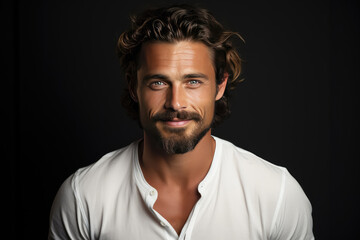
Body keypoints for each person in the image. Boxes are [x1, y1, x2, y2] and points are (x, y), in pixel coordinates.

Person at [48, 4, 314, 240]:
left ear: (220, 85)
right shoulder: (83, 197)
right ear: (134, 87)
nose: (175, 103)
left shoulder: (276, 195)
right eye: (158, 82)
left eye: (193, 82)